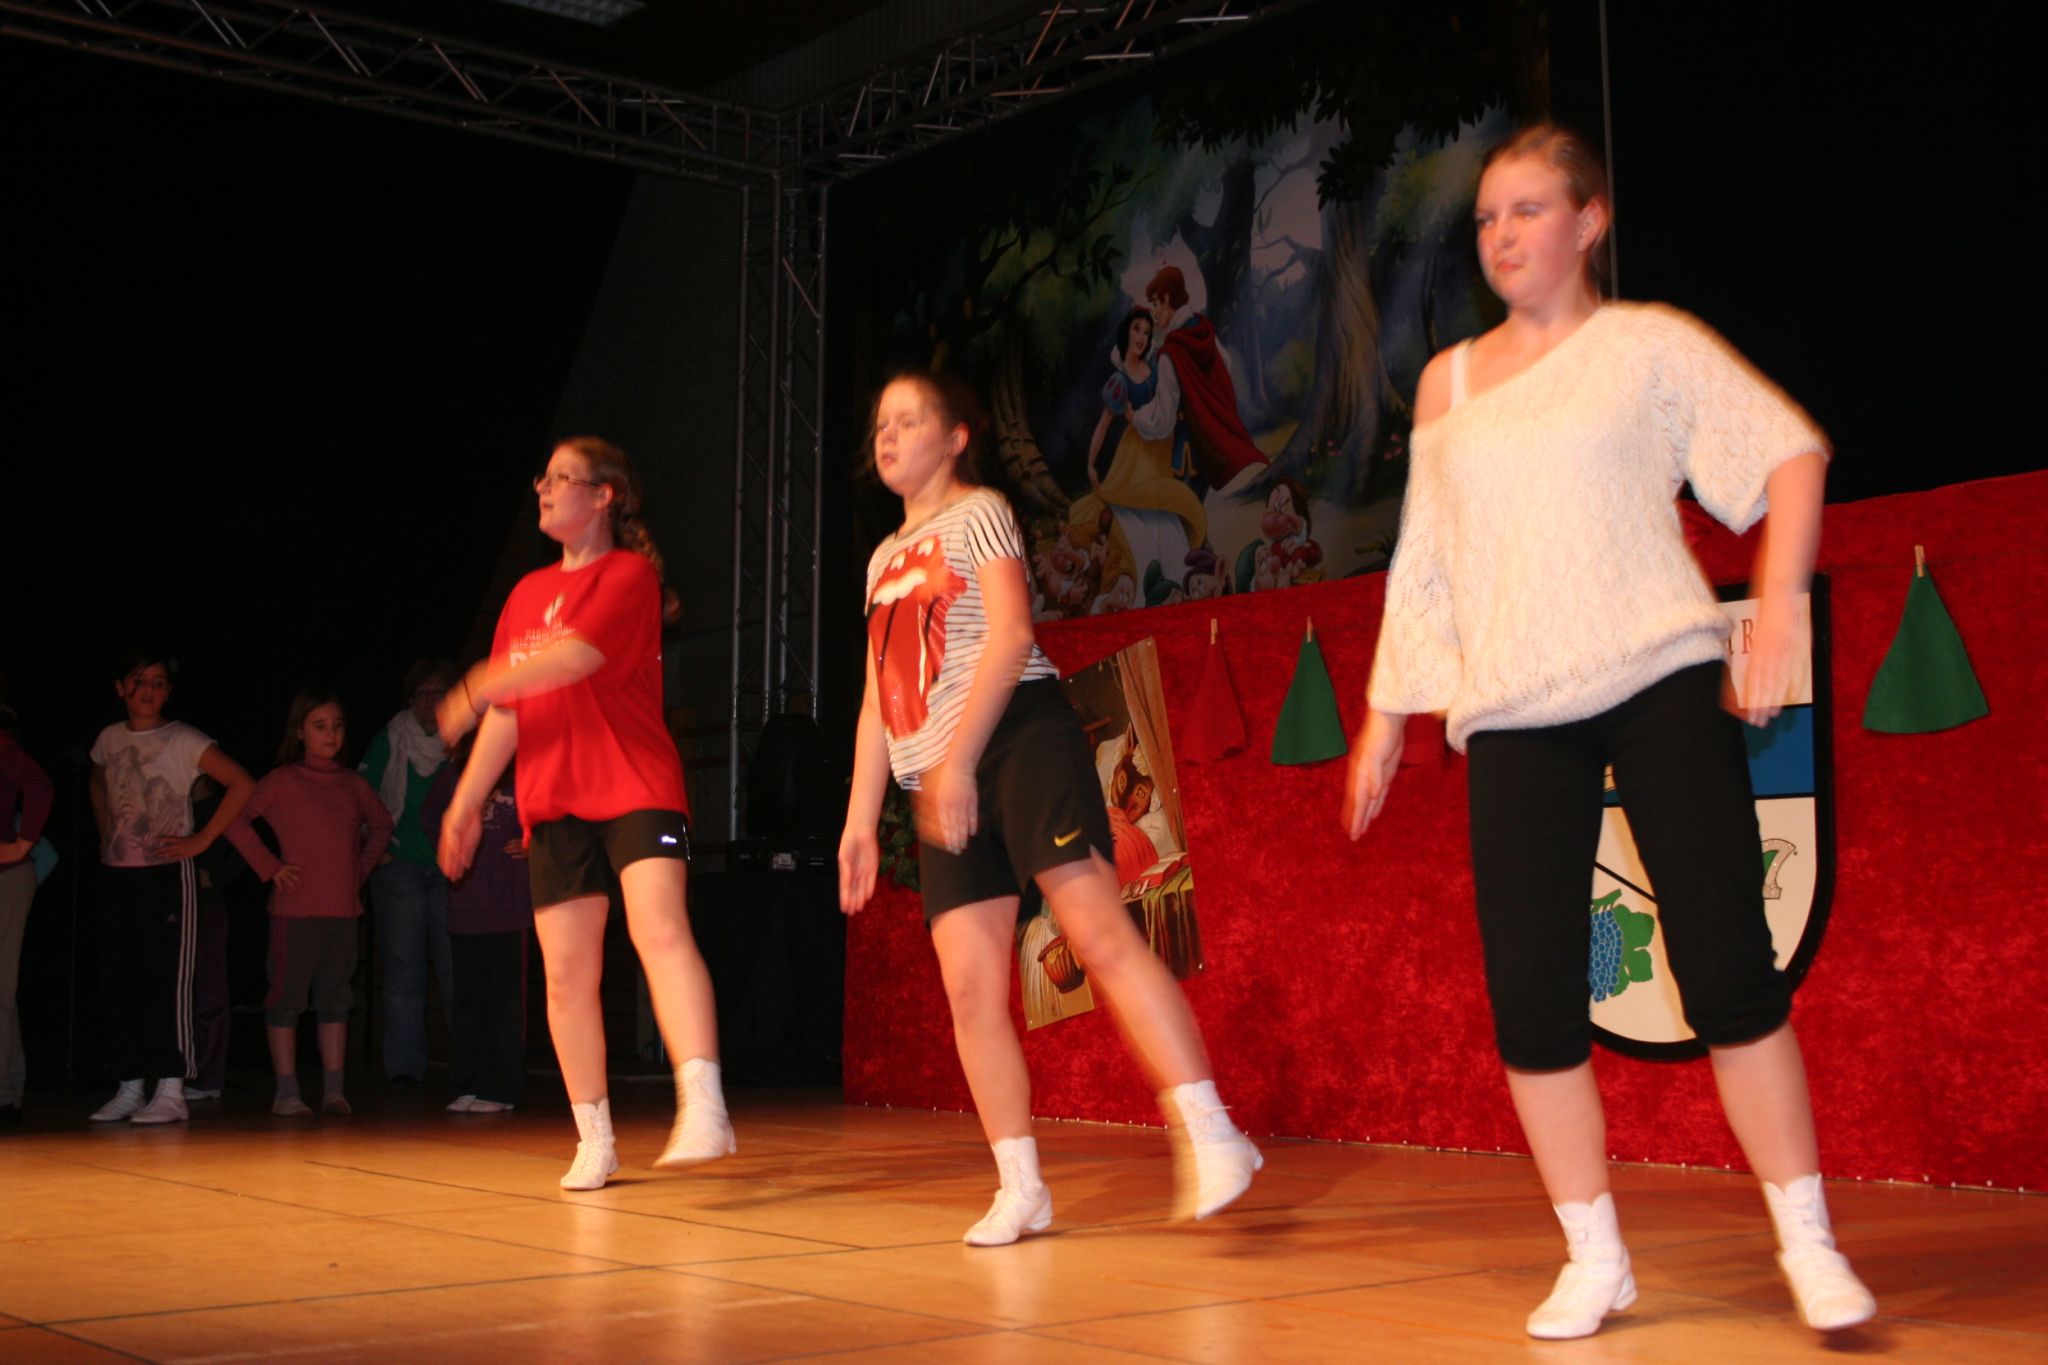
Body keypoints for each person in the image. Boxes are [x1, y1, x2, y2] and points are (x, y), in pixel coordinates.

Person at [1343, 124, 1875, 1339]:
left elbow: (1786, 452)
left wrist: (1779, 600)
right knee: (1531, 999)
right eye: (1486, 217)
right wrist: (1382, 713)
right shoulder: (1449, 383)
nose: (1500, 235)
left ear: (1587, 222)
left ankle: (1807, 1241)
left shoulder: (1646, 346)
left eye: (1527, 209)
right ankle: (1594, 1257)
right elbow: (1424, 562)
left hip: (1656, 675)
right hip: (1513, 711)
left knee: (1726, 967)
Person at [839, 370, 1260, 1246]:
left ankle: (1212, 1130)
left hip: (1017, 740)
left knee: (1097, 928)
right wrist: (858, 820)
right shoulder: (880, 561)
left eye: (908, 420)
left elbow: (1013, 632)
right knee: (968, 986)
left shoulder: (981, 511)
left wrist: (960, 762)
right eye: (881, 424)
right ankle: (1021, 1185)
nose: (888, 436)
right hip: (937, 779)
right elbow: (879, 695)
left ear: (956, 437)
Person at [435, 436, 731, 1191]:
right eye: (543, 476)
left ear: (604, 496)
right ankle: (594, 1136)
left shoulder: (629, 575)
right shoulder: (525, 594)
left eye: (562, 477)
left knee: (658, 929)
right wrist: (465, 804)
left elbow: (573, 657)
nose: (543, 487)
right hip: (554, 797)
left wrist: (477, 681)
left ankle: (704, 1104)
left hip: (635, 784)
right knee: (566, 975)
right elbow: (511, 709)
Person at [87, 648, 254, 1125]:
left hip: (165, 874)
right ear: (120, 687)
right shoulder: (109, 738)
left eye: (158, 682)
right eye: (139, 680)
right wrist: (105, 830)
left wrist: (200, 839)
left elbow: (242, 783)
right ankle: (130, 1084)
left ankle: (171, 1087)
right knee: (123, 977)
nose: (148, 690)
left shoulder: (184, 738)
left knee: (168, 981)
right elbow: (98, 777)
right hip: (119, 873)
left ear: (168, 693)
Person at [227, 690, 393, 1117]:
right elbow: (236, 822)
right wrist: (271, 867)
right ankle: (286, 1092)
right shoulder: (283, 780)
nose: (331, 734)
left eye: (337, 726)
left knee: (336, 999)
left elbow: (381, 825)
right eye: (320, 726)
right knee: (286, 999)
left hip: (342, 911)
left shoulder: (353, 784)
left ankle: (334, 1090)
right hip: (296, 911)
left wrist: (358, 871)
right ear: (300, 731)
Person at [422, 736, 532, 1115]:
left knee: (504, 1001)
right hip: (465, 905)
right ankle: (468, 1083)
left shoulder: (524, 773)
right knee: (468, 999)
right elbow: (430, 815)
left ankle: (502, 1088)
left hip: (509, 908)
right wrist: (450, 845)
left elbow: (555, 820)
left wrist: (533, 843)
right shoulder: (456, 774)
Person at [360, 660, 457, 1088]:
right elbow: (360, 798)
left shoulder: (466, 738)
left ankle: (470, 1067)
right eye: (423, 693)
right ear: (410, 699)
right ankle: (404, 1068)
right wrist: (376, 849)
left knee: (457, 969)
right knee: (403, 969)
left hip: (453, 867)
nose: (431, 701)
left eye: (439, 692)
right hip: (400, 865)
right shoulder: (390, 738)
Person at [1070, 307, 1208, 598]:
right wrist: (1091, 464)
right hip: (1136, 455)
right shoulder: (1120, 381)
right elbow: (1104, 424)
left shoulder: (1157, 368)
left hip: (1162, 449)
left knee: (1165, 511)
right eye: (1137, 329)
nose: (1141, 337)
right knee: (1137, 514)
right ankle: (1146, 577)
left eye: (1146, 332)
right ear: (1127, 332)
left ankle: (1175, 576)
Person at [0, 704, 54, 1128]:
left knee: (1, 986)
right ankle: (9, 1092)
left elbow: (39, 785)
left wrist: (23, 843)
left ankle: (4, 1093)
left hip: (7, 876)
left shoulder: (3, 747)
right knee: (3, 989)